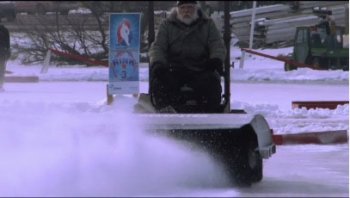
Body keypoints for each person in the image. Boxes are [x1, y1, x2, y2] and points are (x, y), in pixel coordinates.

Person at [149, 1, 226, 113]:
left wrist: (216, 59)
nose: (186, 11)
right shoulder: (167, 25)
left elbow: (217, 45)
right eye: (183, 8)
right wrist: (158, 63)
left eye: (189, 8)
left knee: (212, 83)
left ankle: (208, 118)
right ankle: (166, 114)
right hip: (173, 69)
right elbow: (158, 47)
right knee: (160, 83)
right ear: (177, 9)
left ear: (196, 9)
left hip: (201, 69)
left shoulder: (208, 24)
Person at [0, 24, 10, 91]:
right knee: (1, 70)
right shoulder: (4, 30)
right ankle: (0, 85)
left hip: (2, 52)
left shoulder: (4, 30)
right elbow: (7, 43)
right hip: (2, 52)